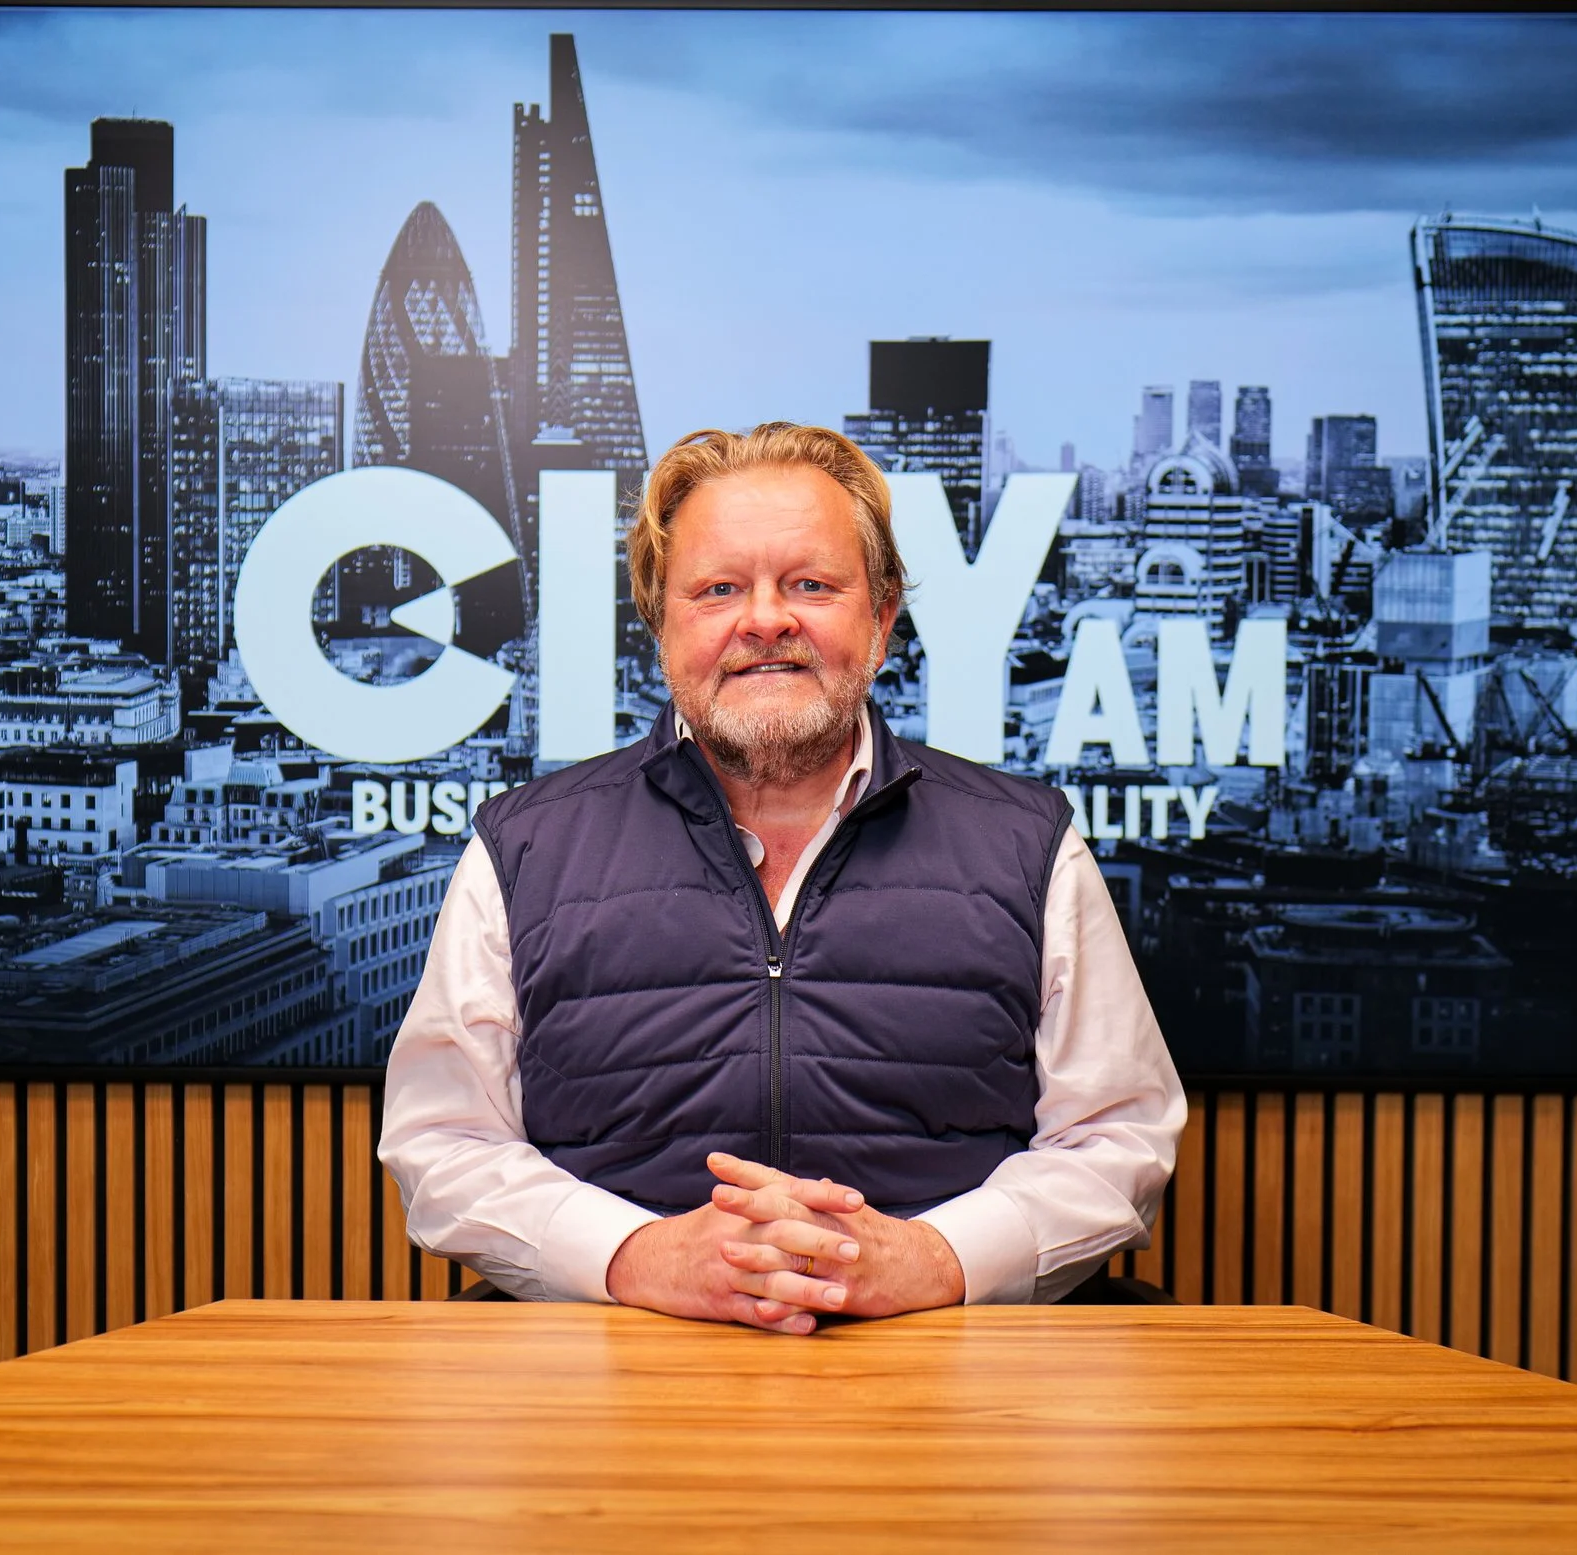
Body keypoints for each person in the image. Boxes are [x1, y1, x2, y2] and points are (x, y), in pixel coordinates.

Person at [378, 422, 1185, 1333]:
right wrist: (634, 1257)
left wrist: (934, 1259)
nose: (766, 619)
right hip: (601, 1386)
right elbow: (442, 1139)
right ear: (662, 626)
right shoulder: (524, 845)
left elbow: (1118, 1135)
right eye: (720, 589)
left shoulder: (1028, 841)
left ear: (880, 619)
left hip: (958, 1390)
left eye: (811, 584)